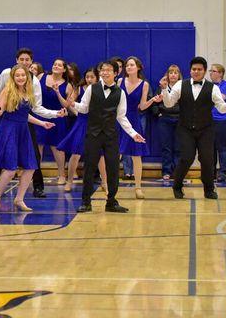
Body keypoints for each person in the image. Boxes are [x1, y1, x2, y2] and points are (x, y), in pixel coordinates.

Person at [0, 48, 66, 198]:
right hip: (8, 120)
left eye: (27, 60)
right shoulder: (7, 74)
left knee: (33, 155)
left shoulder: (34, 82)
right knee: (4, 154)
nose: (25, 62)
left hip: (24, 119)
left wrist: (55, 114)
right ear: (16, 61)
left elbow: (37, 107)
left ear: (31, 62)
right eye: (22, 60)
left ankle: (38, 187)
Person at [69, 60, 146, 213]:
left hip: (111, 136)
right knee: (89, 168)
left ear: (116, 73)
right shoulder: (92, 88)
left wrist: (133, 134)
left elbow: (121, 117)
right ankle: (86, 202)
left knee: (113, 169)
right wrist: (72, 104)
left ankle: (111, 202)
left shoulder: (120, 92)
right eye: (102, 70)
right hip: (93, 134)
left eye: (108, 70)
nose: (104, 72)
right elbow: (84, 109)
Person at [160, 56, 226, 199]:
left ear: (204, 71)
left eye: (199, 69)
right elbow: (168, 104)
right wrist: (164, 91)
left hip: (206, 129)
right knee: (186, 157)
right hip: (185, 128)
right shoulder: (180, 85)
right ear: (190, 70)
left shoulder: (213, 88)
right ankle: (177, 186)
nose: (196, 72)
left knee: (207, 159)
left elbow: (222, 109)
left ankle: (209, 189)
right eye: (193, 69)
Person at [0, 65, 55, 211]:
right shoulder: (7, 90)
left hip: (23, 130)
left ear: (27, 77)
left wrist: (42, 123)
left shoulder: (28, 91)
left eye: (23, 75)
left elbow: (24, 115)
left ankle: (19, 199)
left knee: (31, 167)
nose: (20, 78)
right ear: (13, 77)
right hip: (9, 130)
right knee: (10, 169)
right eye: (17, 75)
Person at [58, 67, 108, 192]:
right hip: (82, 123)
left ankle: (105, 182)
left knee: (100, 155)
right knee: (75, 153)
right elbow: (70, 103)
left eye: (92, 77)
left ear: (97, 77)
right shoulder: (79, 88)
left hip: (96, 123)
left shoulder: (101, 89)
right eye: (87, 77)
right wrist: (77, 113)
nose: (89, 79)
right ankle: (69, 181)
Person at [118, 57, 161, 199]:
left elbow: (142, 106)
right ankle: (107, 183)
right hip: (119, 120)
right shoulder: (119, 82)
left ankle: (138, 187)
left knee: (137, 155)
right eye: (127, 65)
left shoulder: (144, 85)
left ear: (138, 67)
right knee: (114, 154)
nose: (128, 67)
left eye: (131, 65)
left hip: (134, 120)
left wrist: (152, 100)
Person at [36, 58, 72, 185]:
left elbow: (66, 105)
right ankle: (35, 175)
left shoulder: (67, 85)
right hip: (40, 115)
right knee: (37, 146)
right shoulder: (41, 77)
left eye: (59, 65)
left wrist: (57, 92)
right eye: (54, 64)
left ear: (64, 69)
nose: (56, 66)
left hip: (58, 118)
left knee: (57, 148)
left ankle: (61, 175)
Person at [156, 64, 182, 182]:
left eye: (175, 73)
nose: (173, 75)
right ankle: (166, 171)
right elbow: (154, 102)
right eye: (171, 72)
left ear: (179, 75)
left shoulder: (182, 87)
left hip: (179, 119)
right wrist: (158, 113)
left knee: (178, 147)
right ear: (167, 75)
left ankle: (177, 171)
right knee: (166, 147)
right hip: (164, 119)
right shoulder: (162, 87)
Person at [209, 64, 226, 183]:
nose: (211, 73)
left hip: (222, 120)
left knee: (221, 146)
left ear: (220, 73)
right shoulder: (209, 86)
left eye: (213, 71)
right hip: (209, 120)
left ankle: (223, 173)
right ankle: (211, 173)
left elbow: (219, 99)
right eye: (210, 71)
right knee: (210, 148)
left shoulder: (225, 85)